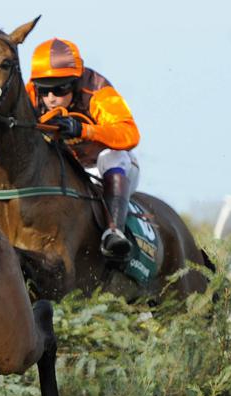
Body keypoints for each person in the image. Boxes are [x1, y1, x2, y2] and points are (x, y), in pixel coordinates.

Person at [25, 38, 140, 260]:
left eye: (59, 89)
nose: (51, 99)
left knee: (112, 156)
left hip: (102, 169)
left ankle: (114, 232)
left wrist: (84, 130)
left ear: (75, 82)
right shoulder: (30, 92)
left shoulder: (98, 90)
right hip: (64, 171)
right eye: (44, 90)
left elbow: (130, 133)